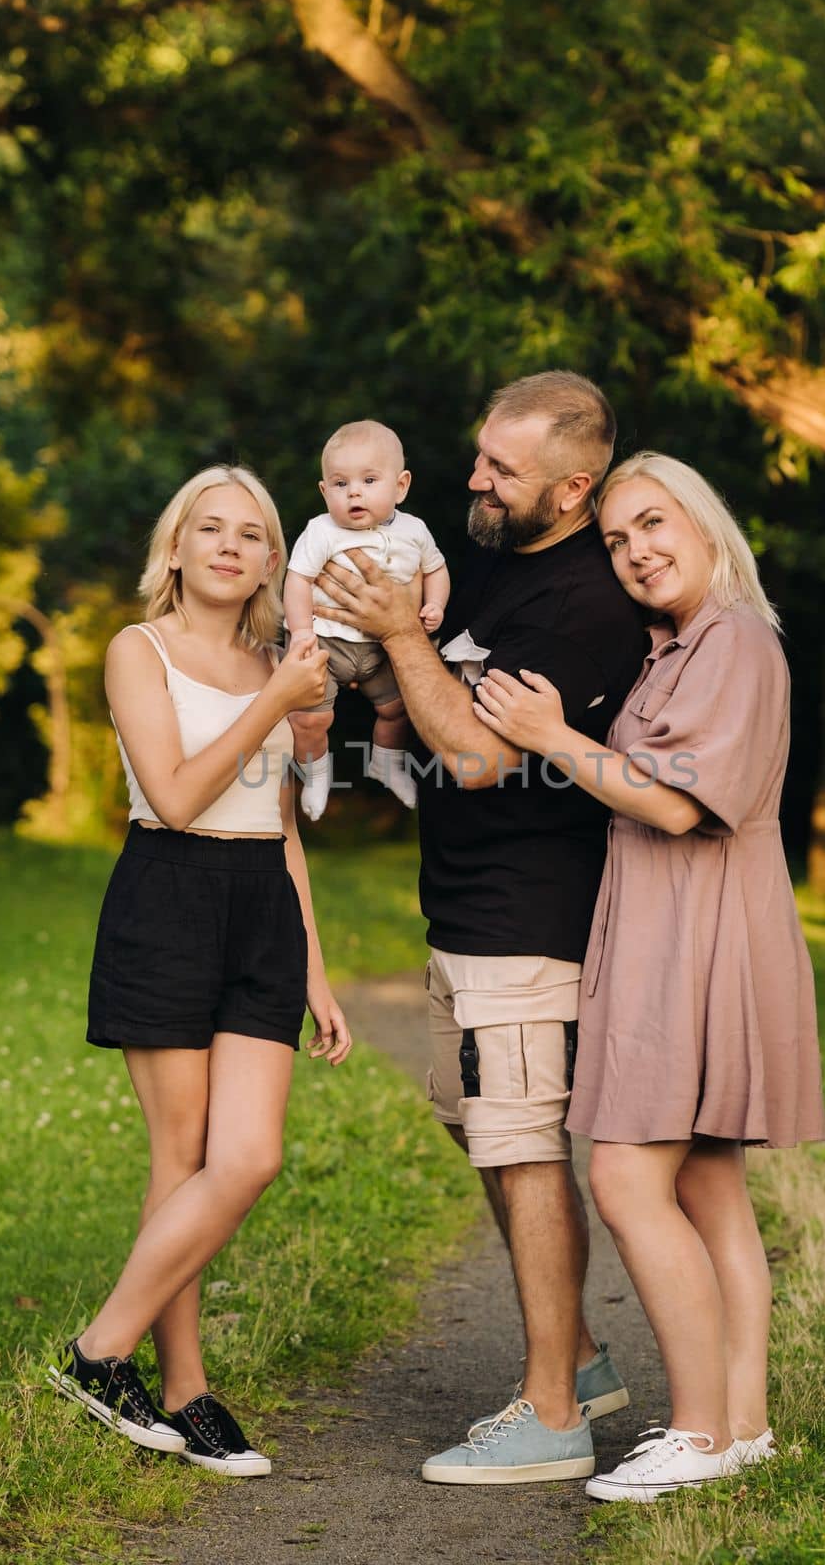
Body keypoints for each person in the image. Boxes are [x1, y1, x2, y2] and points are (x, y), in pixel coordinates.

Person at [314, 372, 650, 1485]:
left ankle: (551, 1413)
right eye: (478, 457)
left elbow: (470, 751)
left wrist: (397, 635)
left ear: (573, 486)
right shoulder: (498, 565)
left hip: (531, 915)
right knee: (476, 1126)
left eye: (500, 469)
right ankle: (585, 1359)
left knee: (522, 1145)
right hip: (461, 906)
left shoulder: (586, 604)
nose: (474, 480)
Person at [472, 451, 825, 1503]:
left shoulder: (734, 641)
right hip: (677, 923)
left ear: (705, 522)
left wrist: (549, 735)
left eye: (651, 524)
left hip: (697, 930)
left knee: (626, 1177)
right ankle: (740, 1425)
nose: (635, 552)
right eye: (617, 540)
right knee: (708, 1186)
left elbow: (675, 803)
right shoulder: (677, 646)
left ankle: (702, 1427)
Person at [49, 465, 352, 1477]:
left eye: (251, 532)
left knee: (248, 1157)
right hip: (169, 897)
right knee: (181, 1157)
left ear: (272, 558)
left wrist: (314, 968)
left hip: (261, 907)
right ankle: (182, 1390)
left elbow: (277, 824)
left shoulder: (280, 661)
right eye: (208, 528)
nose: (229, 545)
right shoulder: (137, 651)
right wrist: (274, 699)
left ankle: (99, 1350)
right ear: (174, 547)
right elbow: (176, 797)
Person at [283, 419, 450, 819]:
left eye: (369, 480)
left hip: (386, 648)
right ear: (324, 492)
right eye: (340, 484)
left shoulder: (415, 530)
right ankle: (316, 772)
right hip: (329, 641)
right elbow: (297, 579)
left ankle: (387, 764)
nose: (354, 491)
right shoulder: (321, 531)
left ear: (401, 486)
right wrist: (301, 630)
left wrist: (435, 605)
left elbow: (435, 570)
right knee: (310, 717)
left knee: (397, 711)